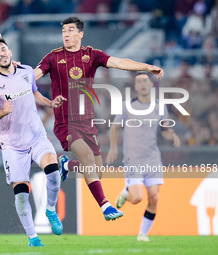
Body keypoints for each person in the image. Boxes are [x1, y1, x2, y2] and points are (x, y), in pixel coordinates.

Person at [33, 16, 164, 221]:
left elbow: (120, 62)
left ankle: (67, 165)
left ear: (80, 34)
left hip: (87, 122)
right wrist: (16, 76)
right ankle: (106, 206)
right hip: (65, 122)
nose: (66, 34)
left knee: (97, 172)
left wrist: (145, 67)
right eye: (63, 31)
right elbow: (34, 75)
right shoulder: (53, 57)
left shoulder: (92, 55)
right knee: (86, 157)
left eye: (70, 30)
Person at [0, 38, 66, 247]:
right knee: (21, 194)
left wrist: (50, 103)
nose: (1, 53)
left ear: (10, 52)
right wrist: (3, 111)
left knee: (54, 171)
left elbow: (34, 93)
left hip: (36, 136)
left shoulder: (27, 70)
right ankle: (33, 238)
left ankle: (50, 209)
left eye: (3, 49)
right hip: (12, 146)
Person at [106, 71, 181, 241]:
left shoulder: (160, 107)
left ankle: (142, 234)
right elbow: (114, 127)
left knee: (154, 197)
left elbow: (165, 130)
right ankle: (127, 192)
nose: (142, 84)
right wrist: (113, 147)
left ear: (150, 84)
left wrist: (172, 135)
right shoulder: (127, 106)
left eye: (145, 81)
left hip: (153, 158)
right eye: (139, 82)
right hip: (133, 158)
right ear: (136, 86)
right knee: (137, 198)